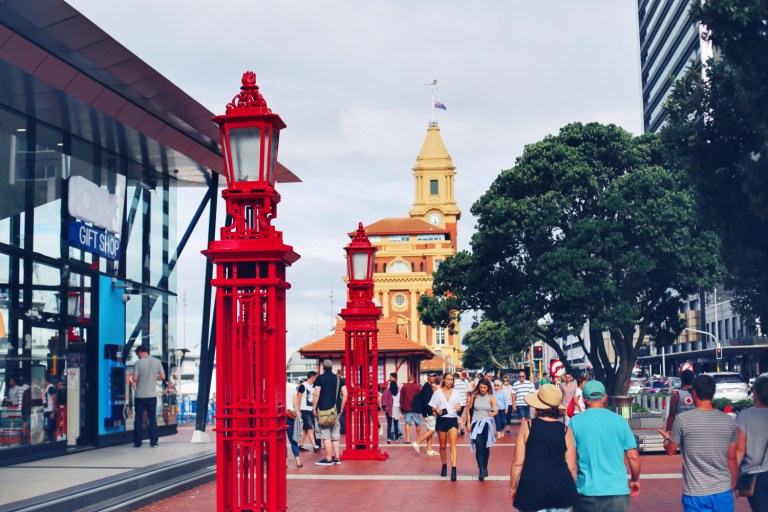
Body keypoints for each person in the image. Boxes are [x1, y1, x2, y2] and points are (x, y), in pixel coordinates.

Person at [659, 374, 738, 511]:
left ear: (694, 393)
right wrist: (734, 481)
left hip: (696, 493)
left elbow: (671, 450)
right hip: (723, 491)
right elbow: (732, 457)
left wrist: (666, 439)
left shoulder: (683, 420)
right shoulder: (729, 421)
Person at [570, 380, 641, 512]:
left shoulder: (575, 422)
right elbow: (633, 457)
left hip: (586, 493)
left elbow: (570, 461)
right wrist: (635, 480)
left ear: (584, 399)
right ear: (605, 397)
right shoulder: (620, 421)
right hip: (617, 493)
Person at [509, 383, 579, 511]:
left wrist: (513, 487)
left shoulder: (527, 426)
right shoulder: (565, 431)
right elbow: (572, 468)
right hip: (561, 489)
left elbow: (517, 462)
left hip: (532, 488)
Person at [735, 375, 768, 511]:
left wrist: (732, 475)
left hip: (756, 475)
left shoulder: (745, 416)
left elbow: (740, 450)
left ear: (756, 394)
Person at [312, 359, 348, 466]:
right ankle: (337, 458)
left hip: (323, 411)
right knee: (335, 436)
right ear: (332, 367)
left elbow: (316, 394)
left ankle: (328, 459)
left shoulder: (320, 378)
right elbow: (345, 394)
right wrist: (341, 408)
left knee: (326, 435)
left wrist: (314, 408)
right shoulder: (339, 379)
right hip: (335, 410)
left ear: (323, 367)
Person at [428, 372, 463, 481]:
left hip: (452, 420)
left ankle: (454, 469)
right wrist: (436, 409)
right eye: (448, 379)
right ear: (444, 380)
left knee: (453, 444)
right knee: (442, 446)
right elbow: (432, 407)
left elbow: (459, 406)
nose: (449, 381)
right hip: (441, 420)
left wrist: (458, 407)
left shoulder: (456, 393)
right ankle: (444, 465)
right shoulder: (437, 393)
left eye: (451, 380)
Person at [130, 345, 165, 448]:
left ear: (141, 352)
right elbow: (163, 377)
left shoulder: (138, 363)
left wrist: (140, 377)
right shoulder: (157, 361)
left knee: (139, 419)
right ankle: (154, 442)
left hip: (140, 396)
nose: (138, 356)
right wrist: (155, 377)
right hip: (151, 396)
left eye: (138, 354)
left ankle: (137, 443)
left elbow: (135, 379)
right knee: (152, 419)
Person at [466, 377, 498, 481]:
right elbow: (468, 410)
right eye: (481, 387)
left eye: (484, 387)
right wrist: (468, 424)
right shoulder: (474, 396)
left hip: (486, 424)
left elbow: (496, 410)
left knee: (486, 447)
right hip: (476, 423)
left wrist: (493, 413)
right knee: (479, 446)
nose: (482, 389)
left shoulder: (491, 397)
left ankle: (485, 467)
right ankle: (481, 469)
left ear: (488, 387)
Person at [412, 372, 438, 456]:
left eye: (434, 376)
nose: (433, 378)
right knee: (433, 429)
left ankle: (429, 449)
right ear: (428, 378)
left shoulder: (429, 386)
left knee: (430, 429)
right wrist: (432, 411)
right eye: (432, 376)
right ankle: (417, 442)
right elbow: (427, 402)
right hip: (428, 412)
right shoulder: (427, 387)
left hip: (427, 411)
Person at [296, 371, 319, 452]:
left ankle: (301, 444)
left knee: (306, 427)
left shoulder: (314, 386)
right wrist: (298, 410)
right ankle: (314, 445)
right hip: (304, 409)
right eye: (316, 376)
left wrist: (315, 409)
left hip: (311, 410)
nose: (317, 378)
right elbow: (298, 398)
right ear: (312, 377)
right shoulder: (303, 386)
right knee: (310, 427)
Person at [399, 375, 422, 443]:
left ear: (408, 379)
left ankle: (408, 439)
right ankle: (418, 438)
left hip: (407, 408)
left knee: (407, 423)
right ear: (413, 379)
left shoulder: (404, 387)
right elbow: (420, 397)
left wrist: (402, 407)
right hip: (416, 408)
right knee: (418, 423)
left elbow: (401, 398)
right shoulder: (417, 387)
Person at [381, 373, 402, 443]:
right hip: (396, 408)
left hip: (389, 408)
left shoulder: (387, 392)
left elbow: (384, 399)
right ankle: (396, 438)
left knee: (389, 424)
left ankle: (388, 438)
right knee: (396, 424)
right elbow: (400, 401)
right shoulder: (398, 393)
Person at [286, 381, 302, 468]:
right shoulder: (292, 387)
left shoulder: (273, 387)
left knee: (281, 441)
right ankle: (298, 461)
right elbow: (296, 405)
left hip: (278, 416)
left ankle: (285, 461)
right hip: (290, 415)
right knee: (293, 440)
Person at [41, 376, 57, 442]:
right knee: (48, 428)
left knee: (49, 428)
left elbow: (54, 399)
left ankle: (52, 442)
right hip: (47, 410)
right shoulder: (47, 388)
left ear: (45, 381)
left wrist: (53, 412)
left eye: (42, 381)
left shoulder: (50, 388)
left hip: (49, 411)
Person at [453, 372, 469, 436]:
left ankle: (458, 430)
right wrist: (466, 401)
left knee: (456, 416)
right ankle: (462, 428)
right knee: (459, 415)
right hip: (463, 402)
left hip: (457, 402)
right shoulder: (463, 383)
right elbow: (466, 393)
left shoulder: (454, 384)